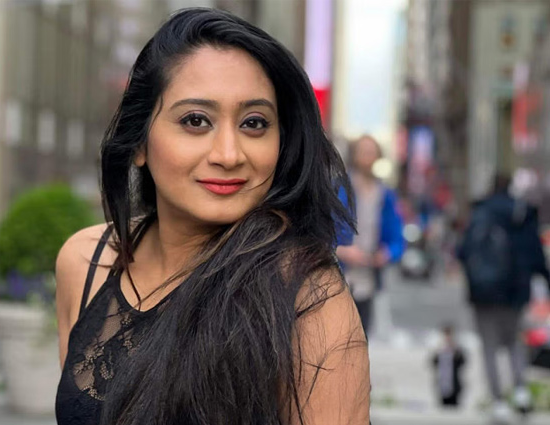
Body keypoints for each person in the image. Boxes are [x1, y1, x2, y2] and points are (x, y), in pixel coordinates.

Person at [54, 8, 369, 425]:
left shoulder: (309, 298)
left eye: (254, 123)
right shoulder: (84, 263)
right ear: (139, 142)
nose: (228, 154)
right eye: (196, 120)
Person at [458, 174, 550, 422]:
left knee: (489, 347)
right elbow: (536, 255)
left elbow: (463, 251)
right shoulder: (522, 214)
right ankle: (520, 392)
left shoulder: (480, 212)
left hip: (484, 292)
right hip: (516, 291)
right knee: (514, 342)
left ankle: (498, 401)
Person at [336, 135, 404, 338]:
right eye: (363, 151)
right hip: (337, 275)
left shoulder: (385, 195)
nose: (367, 156)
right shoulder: (338, 187)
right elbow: (320, 231)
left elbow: (396, 239)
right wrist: (341, 250)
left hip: (368, 278)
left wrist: (387, 254)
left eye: (372, 152)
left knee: (361, 337)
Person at [431, 324, 466, 408]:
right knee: (443, 406)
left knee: (455, 406)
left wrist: (456, 351)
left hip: (454, 383)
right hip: (442, 382)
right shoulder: (440, 349)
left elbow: (462, 362)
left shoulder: (457, 349)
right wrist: (437, 351)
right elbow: (433, 363)